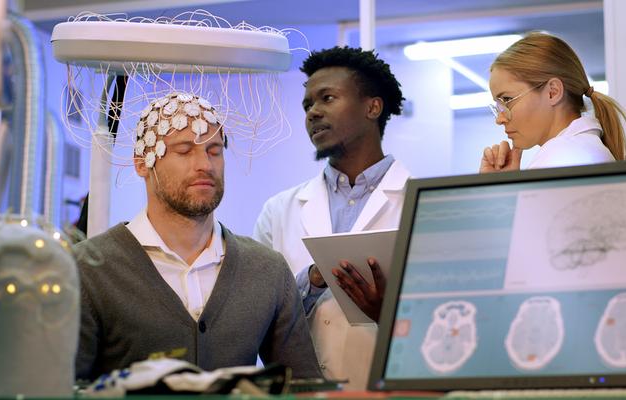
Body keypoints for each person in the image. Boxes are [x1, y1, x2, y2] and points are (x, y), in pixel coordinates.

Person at [73, 92, 321, 381]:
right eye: (184, 150)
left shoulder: (267, 270)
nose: (205, 164)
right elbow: (58, 389)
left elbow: (305, 387)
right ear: (142, 163)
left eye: (214, 150)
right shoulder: (89, 269)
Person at [253, 46, 408, 390]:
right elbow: (258, 317)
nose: (313, 113)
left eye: (327, 98)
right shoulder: (279, 211)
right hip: (302, 392)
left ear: (373, 107)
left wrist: (391, 312)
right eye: (308, 105)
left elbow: (450, 322)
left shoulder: (420, 203)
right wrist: (310, 282)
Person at [480, 32, 626, 172]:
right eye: (498, 106)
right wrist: (506, 186)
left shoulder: (562, 155)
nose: (500, 119)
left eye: (507, 100)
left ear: (553, 92)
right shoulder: (582, 148)